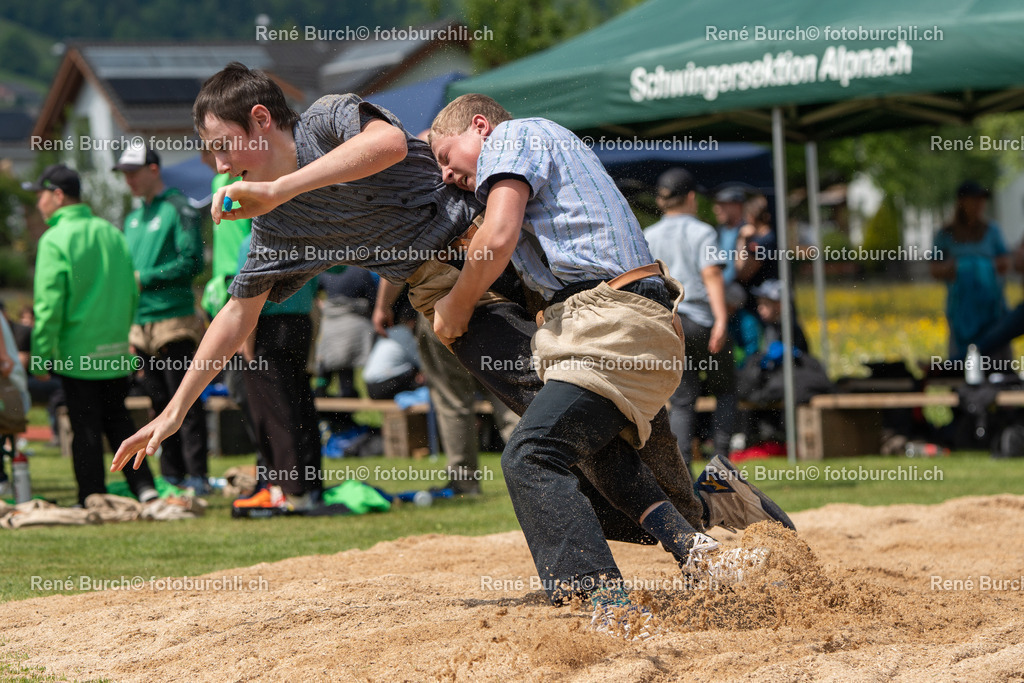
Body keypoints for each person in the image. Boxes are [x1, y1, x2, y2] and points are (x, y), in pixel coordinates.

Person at [111, 64, 792, 619]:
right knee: (560, 429)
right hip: (443, 289)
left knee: (602, 428)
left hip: (507, 245)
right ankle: (687, 531)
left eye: (222, 145)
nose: (219, 164)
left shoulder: (322, 120)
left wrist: (281, 187)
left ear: (260, 120)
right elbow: (235, 317)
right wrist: (173, 411)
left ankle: (697, 514)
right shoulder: (275, 231)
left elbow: (383, 144)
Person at [427, 94, 778, 624]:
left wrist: (453, 307)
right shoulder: (527, 176)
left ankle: (604, 604)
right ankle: (710, 511)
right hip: (610, 324)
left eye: (447, 156)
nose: (447, 172)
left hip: (612, 321)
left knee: (532, 458)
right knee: (591, 478)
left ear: (480, 126)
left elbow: (496, 238)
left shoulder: (516, 136)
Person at [25, 164, 158, 505]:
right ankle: (145, 489)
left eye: (40, 194)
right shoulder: (111, 232)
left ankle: (92, 495)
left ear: (57, 195)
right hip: (115, 351)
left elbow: (49, 305)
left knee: (84, 427)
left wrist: (41, 355)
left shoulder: (54, 239)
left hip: (77, 353)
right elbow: (130, 291)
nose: (37, 202)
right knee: (119, 420)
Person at [115, 145, 209, 492]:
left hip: (174, 320)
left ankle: (197, 476)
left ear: (154, 168)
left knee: (183, 403)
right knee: (156, 402)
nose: (128, 180)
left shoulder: (179, 207)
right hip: (140, 324)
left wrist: (147, 277)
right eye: (123, 173)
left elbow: (192, 262)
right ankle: (172, 475)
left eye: (133, 171)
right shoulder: (132, 216)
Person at [645, 168, 738, 466]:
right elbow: (711, 275)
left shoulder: (648, 235)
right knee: (725, 389)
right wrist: (721, 320)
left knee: (683, 400)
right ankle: (721, 468)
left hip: (670, 324)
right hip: (700, 320)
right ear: (691, 197)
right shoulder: (703, 232)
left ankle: (684, 474)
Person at [232, 234, 322, 511]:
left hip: (267, 329)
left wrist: (245, 346)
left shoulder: (255, 240)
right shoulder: (306, 234)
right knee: (300, 408)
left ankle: (291, 492)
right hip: (300, 325)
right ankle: (310, 487)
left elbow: (246, 297)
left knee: (273, 414)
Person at [930, 180, 1011, 360]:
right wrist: (956, 268)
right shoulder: (945, 235)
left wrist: (978, 266)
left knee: (997, 359)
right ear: (962, 202)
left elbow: (1005, 263)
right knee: (962, 361)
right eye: (974, 200)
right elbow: (934, 269)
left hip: (993, 309)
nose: (979, 204)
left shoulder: (992, 231)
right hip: (960, 310)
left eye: (982, 200)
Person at [712, 186, 748, 286]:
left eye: (722, 204)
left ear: (737, 206)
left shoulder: (748, 232)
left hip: (739, 290)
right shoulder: (717, 231)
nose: (716, 209)